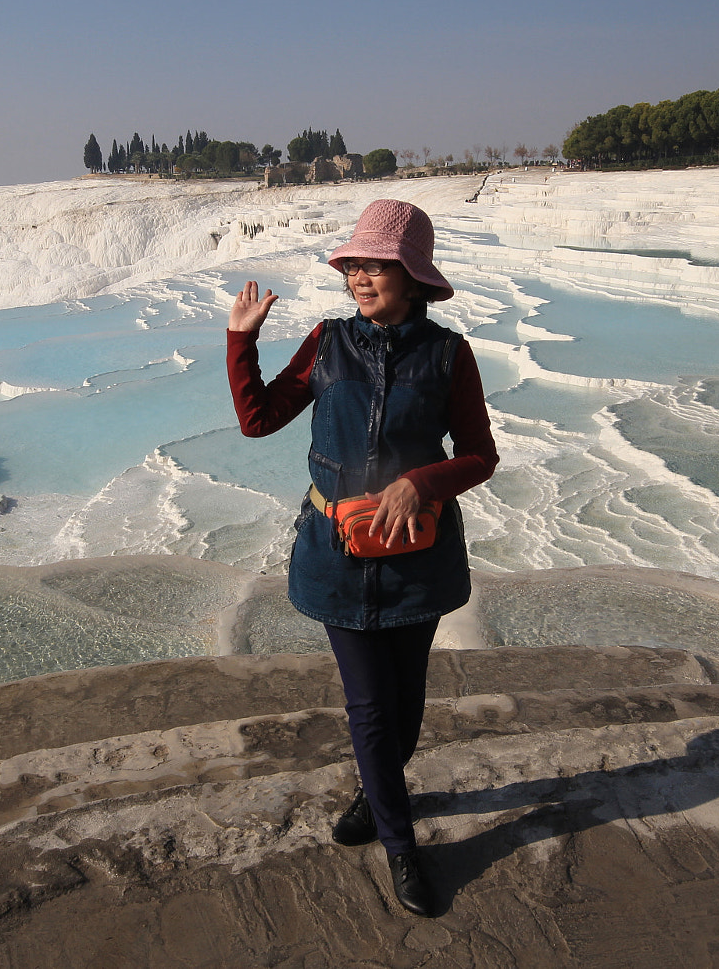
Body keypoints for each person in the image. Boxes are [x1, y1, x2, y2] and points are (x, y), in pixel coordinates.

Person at [226, 198, 498, 916]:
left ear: (413, 278)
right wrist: (240, 343)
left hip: (416, 557)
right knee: (371, 705)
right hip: (337, 555)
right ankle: (403, 847)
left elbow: (479, 456)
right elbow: (257, 421)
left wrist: (420, 481)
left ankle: (372, 797)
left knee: (405, 707)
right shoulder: (327, 343)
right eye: (354, 265)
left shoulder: (448, 355)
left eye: (377, 265)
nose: (360, 278)